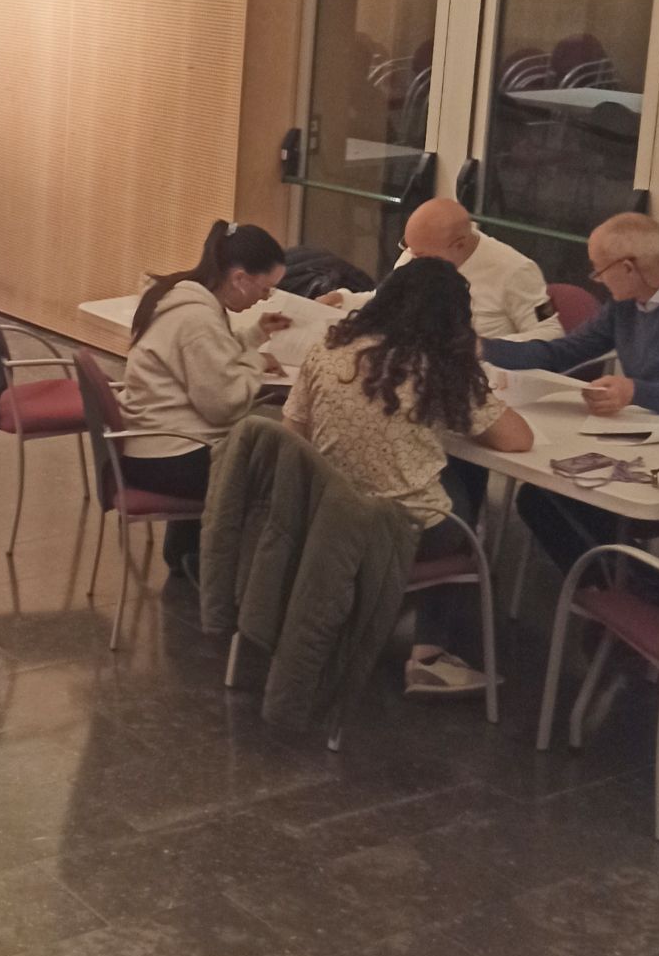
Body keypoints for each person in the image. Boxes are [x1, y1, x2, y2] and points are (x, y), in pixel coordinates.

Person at [284, 257, 533, 697]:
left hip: (330, 516)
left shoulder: (328, 346)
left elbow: (293, 434)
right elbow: (518, 439)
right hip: (404, 529)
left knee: (441, 470)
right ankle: (429, 656)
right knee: (460, 489)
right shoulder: (437, 368)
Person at [484, 210, 659, 575]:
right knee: (541, 496)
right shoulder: (626, 303)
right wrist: (481, 347)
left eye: (599, 269)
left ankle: (630, 585)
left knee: (551, 499)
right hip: (640, 441)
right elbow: (562, 353)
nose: (595, 279)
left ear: (628, 267)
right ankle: (612, 585)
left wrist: (636, 391)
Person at [119, 221, 289, 579]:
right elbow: (224, 404)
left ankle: (186, 549)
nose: (265, 298)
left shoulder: (181, 296)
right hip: (168, 455)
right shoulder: (197, 318)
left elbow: (211, 357)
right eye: (265, 289)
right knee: (282, 472)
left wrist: (255, 335)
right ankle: (220, 569)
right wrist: (257, 364)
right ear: (240, 278)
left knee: (256, 449)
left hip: (151, 445)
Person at [322, 199, 562, 341]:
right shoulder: (416, 251)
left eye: (422, 254)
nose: (412, 257)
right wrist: (343, 300)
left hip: (480, 375)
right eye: (409, 247)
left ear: (459, 246)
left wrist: (485, 347)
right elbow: (384, 300)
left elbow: (551, 332)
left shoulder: (514, 271)